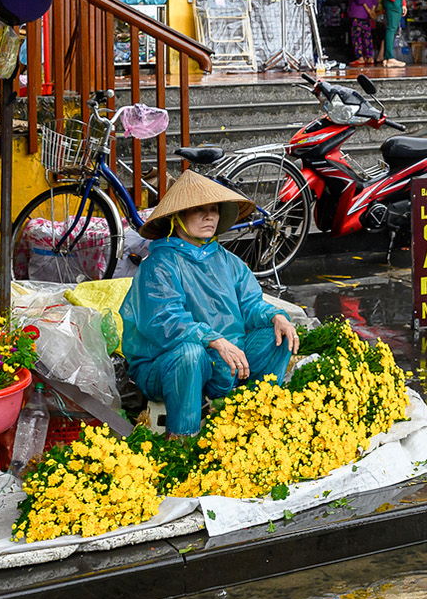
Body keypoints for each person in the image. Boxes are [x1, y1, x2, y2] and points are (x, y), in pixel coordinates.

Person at [122, 172, 300, 435]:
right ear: (177, 217)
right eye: (198, 210)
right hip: (167, 363)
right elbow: (166, 321)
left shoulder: (228, 261)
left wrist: (276, 316)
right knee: (190, 354)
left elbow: (251, 305)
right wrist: (214, 340)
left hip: (225, 359)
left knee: (278, 336)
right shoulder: (158, 265)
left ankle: (253, 423)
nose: (209, 216)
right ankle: (183, 442)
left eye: (214, 209)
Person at [347, 0, 377, 66]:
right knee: (367, 36)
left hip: (357, 14)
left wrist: (367, 9)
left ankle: (360, 57)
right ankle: (370, 57)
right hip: (367, 16)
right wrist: (371, 10)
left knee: (357, 37)